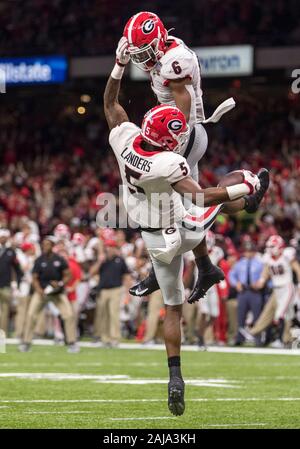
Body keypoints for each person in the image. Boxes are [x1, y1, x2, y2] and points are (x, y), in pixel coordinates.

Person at [102, 55, 269, 415]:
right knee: (223, 195)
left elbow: (111, 104)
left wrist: (118, 65)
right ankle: (251, 198)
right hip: (183, 229)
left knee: (172, 308)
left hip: (152, 238)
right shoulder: (170, 162)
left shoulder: (124, 140)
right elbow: (200, 196)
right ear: (166, 140)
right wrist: (240, 191)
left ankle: (175, 376)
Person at [122, 11, 238, 302]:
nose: (142, 58)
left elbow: (182, 102)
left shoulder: (174, 61)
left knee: (156, 198)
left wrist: (174, 140)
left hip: (183, 135)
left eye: (145, 51)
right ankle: (205, 266)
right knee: (190, 202)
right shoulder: (167, 51)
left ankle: (157, 269)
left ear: (159, 39)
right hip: (186, 134)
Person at [19, 236, 78, 353]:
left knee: (69, 315)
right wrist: (38, 289)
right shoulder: (39, 260)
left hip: (57, 293)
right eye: (44, 244)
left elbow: (68, 275)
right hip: (42, 292)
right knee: (31, 315)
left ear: (52, 245)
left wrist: (60, 283)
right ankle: (26, 342)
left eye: (47, 244)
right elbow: (34, 278)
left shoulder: (60, 259)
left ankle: (71, 342)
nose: (45, 246)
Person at [241, 235, 300, 347]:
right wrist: (262, 281)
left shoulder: (286, 255)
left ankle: (281, 340)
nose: (270, 248)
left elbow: (297, 269)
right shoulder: (268, 257)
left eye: (272, 246)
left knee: (281, 314)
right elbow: (266, 271)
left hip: (287, 287)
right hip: (276, 289)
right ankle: (255, 333)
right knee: (279, 314)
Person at [91, 239, 131, 347]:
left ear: (115, 248)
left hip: (116, 290)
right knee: (103, 315)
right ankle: (105, 338)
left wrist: (128, 292)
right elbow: (91, 272)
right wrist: (99, 261)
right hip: (103, 290)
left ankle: (115, 338)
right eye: (108, 247)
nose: (109, 249)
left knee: (114, 314)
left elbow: (126, 276)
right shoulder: (102, 260)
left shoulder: (120, 260)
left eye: (111, 247)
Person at [229, 240, 265, 346]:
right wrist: (236, 284)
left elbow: (265, 276)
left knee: (257, 316)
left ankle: (258, 338)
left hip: (255, 292)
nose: (248, 253)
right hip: (243, 292)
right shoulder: (240, 264)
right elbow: (232, 275)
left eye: (250, 251)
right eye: (246, 251)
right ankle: (239, 338)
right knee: (240, 316)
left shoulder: (260, 264)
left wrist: (260, 283)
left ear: (254, 252)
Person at [0, 229, 23, 335]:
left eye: (5, 237)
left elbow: (17, 269)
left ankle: (2, 334)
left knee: (5, 310)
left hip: (5, 285)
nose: (3, 239)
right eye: (1, 237)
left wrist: (17, 283)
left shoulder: (11, 251)